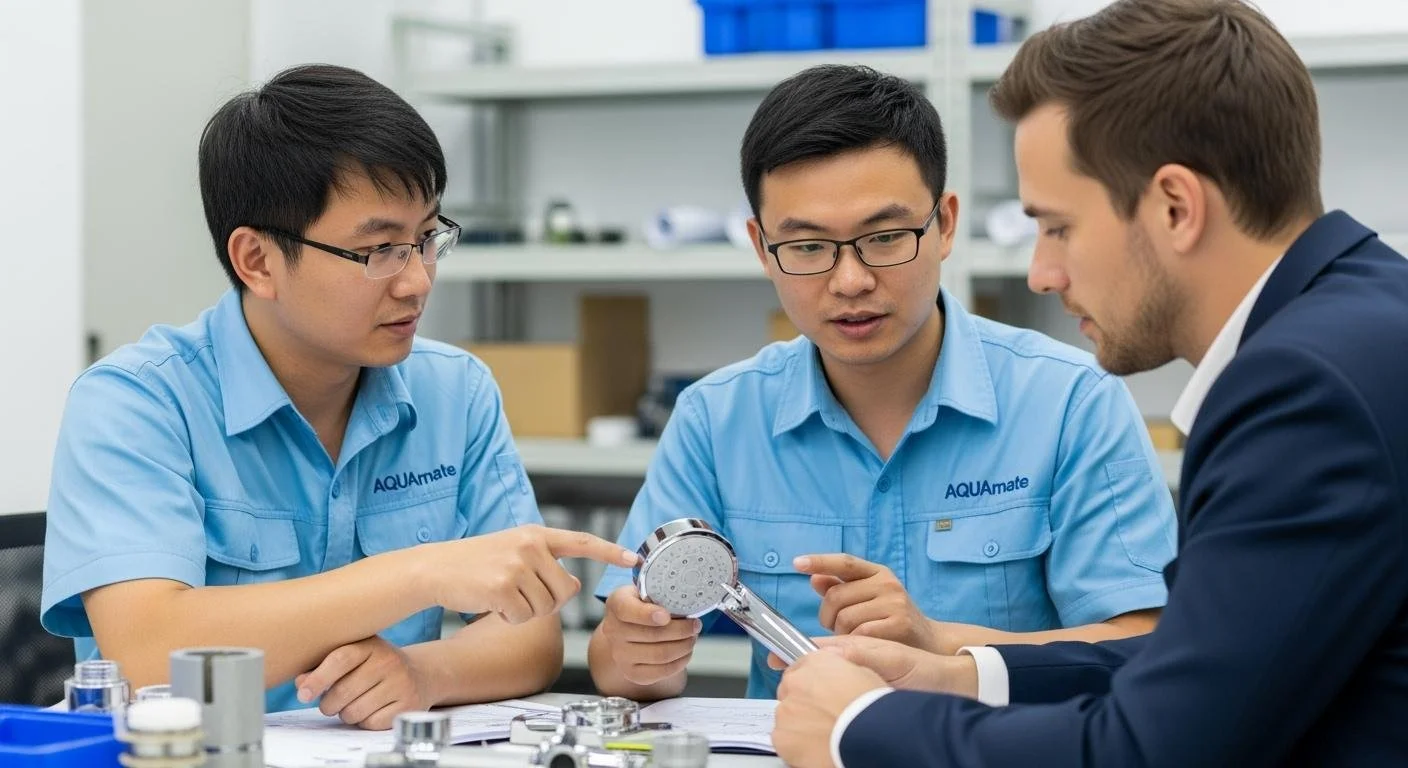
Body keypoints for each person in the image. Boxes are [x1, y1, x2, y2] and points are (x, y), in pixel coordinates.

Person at [770, 1, 1408, 765]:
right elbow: (1211, 662)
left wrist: (858, 730)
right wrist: (959, 673)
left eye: (1058, 226)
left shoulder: (1303, 390)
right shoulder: (1364, 320)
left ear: (1176, 206)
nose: (1043, 272)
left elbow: (1151, 751)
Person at [40, 64, 638, 726]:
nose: (417, 281)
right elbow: (147, 652)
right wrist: (424, 574)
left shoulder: (454, 391)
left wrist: (423, 673)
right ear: (257, 261)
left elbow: (529, 629)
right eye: (380, 249)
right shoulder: (135, 404)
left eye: (428, 239)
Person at [588, 63, 1177, 702]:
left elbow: (1141, 645)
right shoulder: (715, 417)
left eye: (885, 237)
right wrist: (634, 652)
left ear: (945, 225)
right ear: (761, 249)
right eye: (808, 247)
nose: (850, 281)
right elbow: (617, 665)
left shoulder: (1070, 402)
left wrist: (940, 641)